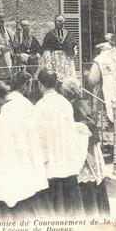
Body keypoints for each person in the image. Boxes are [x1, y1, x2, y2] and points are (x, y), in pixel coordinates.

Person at [0, 80, 48, 218]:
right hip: (23, 165)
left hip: (12, 167)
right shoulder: (16, 108)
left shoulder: (7, 116)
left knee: (15, 206)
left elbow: (3, 148)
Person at [32, 68, 87, 217]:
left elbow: (38, 136)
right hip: (66, 157)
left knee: (54, 206)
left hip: (51, 160)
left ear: (40, 85)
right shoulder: (65, 103)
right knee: (71, 206)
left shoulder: (39, 107)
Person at [60, 80, 110, 217]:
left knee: (88, 180)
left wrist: (73, 126)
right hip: (82, 145)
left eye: (63, 91)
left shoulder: (77, 104)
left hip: (86, 148)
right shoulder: (75, 103)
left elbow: (90, 124)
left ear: (68, 92)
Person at [41, 15, 80, 90]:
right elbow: (46, 50)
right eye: (56, 21)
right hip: (54, 61)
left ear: (63, 23)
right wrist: (48, 63)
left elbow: (74, 47)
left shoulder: (69, 35)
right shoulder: (49, 35)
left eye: (59, 21)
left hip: (66, 61)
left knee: (67, 80)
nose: (57, 23)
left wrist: (72, 53)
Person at [14, 20, 42, 102]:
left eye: (28, 26)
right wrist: (26, 57)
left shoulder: (32, 38)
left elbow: (40, 49)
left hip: (34, 63)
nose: (26, 28)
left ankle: (35, 96)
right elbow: (16, 51)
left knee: (35, 80)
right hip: (23, 63)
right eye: (24, 26)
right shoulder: (18, 39)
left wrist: (37, 55)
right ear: (21, 27)